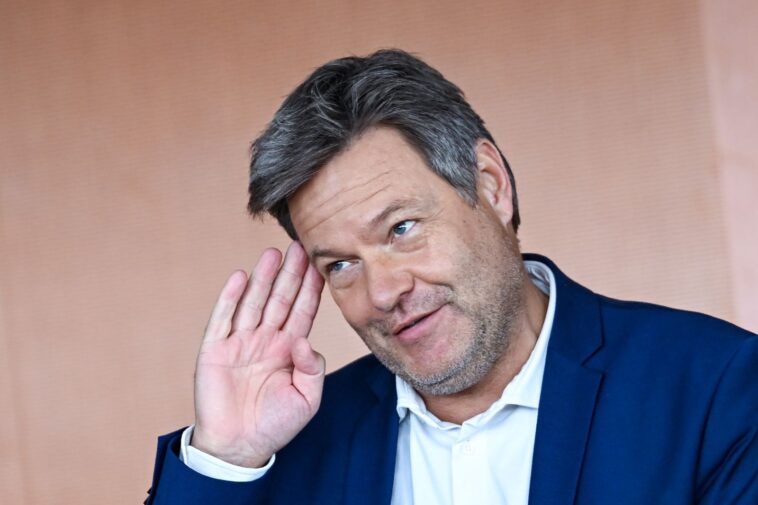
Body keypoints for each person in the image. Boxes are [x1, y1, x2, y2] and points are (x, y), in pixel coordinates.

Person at [145, 49, 758, 505]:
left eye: (402, 228)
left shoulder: (715, 386)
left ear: (490, 185)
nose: (383, 293)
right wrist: (225, 457)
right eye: (341, 265)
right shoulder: (287, 445)